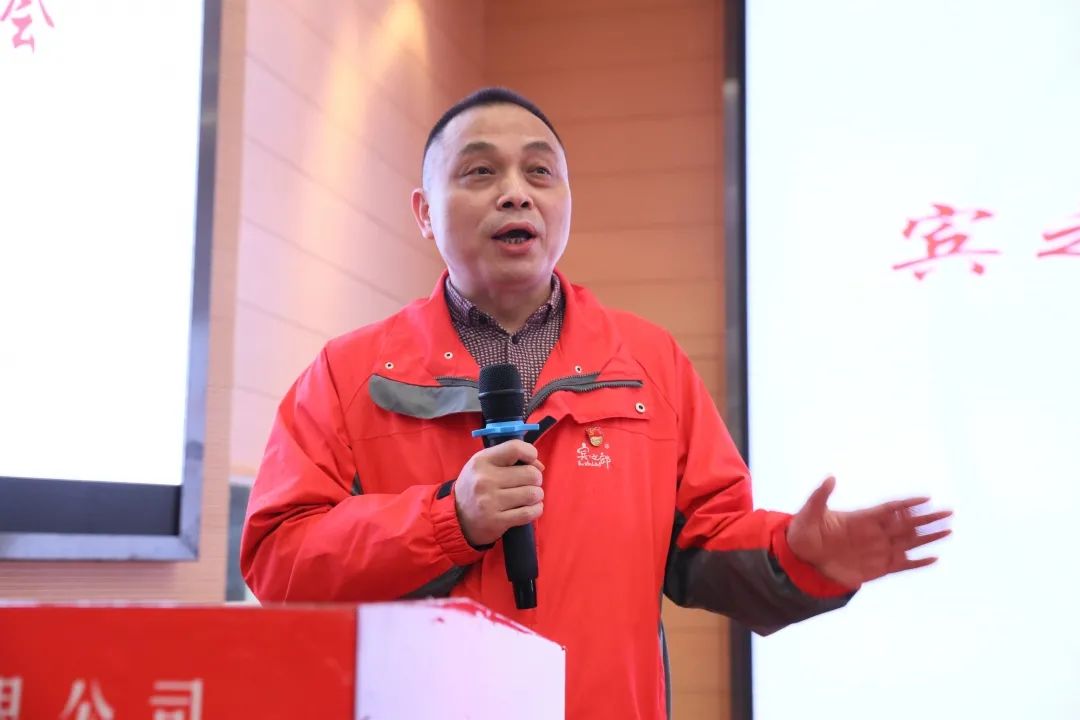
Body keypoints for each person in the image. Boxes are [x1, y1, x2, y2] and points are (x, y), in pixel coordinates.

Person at [240, 87, 952, 720]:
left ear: (566, 203)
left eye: (539, 172)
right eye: (480, 171)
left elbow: (709, 541)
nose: (515, 194)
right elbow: (278, 560)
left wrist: (797, 556)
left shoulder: (648, 364)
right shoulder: (348, 375)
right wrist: (447, 521)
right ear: (425, 213)